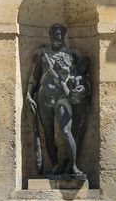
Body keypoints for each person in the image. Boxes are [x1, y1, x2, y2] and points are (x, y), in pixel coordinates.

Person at [22, 24, 90, 180]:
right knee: (48, 133)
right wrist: (28, 95)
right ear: (50, 35)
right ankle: (54, 165)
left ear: (64, 35)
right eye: (54, 34)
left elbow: (81, 76)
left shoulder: (73, 54)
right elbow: (34, 77)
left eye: (59, 34)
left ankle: (73, 166)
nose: (57, 37)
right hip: (44, 97)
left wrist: (81, 88)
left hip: (62, 96)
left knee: (66, 131)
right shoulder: (41, 54)